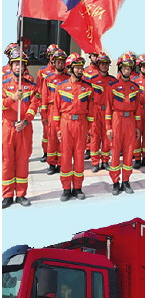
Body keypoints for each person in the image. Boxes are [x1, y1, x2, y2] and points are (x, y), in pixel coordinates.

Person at [54, 53, 95, 202]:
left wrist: (89, 130)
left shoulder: (88, 88)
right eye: (76, 67)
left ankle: (77, 188)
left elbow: (91, 112)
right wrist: (58, 129)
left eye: (81, 67)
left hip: (81, 125)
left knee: (79, 157)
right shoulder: (61, 87)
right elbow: (56, 111)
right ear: (70, 69)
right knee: (65, 157)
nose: (79, 70)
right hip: (66, 123)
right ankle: (66, 189)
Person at [2, 50, 40, 208]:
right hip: (8, 128)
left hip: (24, 128)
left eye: (22, 64)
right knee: (7, 161)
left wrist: (26, 121)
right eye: (16, 64)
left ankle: (21, 194)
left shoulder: (31, 86)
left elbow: (34, 106)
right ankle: (7, 195)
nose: (19, 67)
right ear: (11, 66)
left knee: (23, 161)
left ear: (25, 67)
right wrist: (12, 98)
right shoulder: (3, 84)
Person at [106, 53, 141, 195]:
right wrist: (108, 127)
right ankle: (115, 182)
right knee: (115, 152)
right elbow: (108, 108)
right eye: (124, 68)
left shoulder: (135, 87)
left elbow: (138, 109)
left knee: (129, 151)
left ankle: (126, 181)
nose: (127, 70)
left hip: (130, 121)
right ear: (120, 68)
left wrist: (137, 127)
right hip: (117, 119)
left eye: (129, 68)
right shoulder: (112, 86)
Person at [41, 49, 68, 174]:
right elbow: (44, 97)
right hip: (52, 110)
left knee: (63, 138)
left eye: (62, 62)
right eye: (58, 62)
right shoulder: (48, 79)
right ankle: (51, 163)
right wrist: (44, 114)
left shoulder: (68, 78)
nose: (60, 64)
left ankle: (61, 163)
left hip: (64, 111)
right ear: (54, 62)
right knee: (52, 138)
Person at [88, 52, 115, 172]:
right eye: (102, 64)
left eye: (106, 64)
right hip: (96, 111)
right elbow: (89, 98)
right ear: (98, 65)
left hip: (108, 112)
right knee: (95, 137)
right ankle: (95, 162)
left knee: (107, 137)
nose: (104, 66)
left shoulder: (113, 81)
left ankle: (105, 161)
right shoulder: (93, 80)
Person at [36, 44, 58, 162]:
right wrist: (41, 106)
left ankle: (57, 155)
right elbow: (39, 90)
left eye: (55, 56)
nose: (53, 58)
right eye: (51, 55)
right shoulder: (42, 71)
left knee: (58, 132)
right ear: (48, 56)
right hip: (47, 106)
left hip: (59, 107)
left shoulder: (63, 71)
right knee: (47, 132)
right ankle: (46, 152)